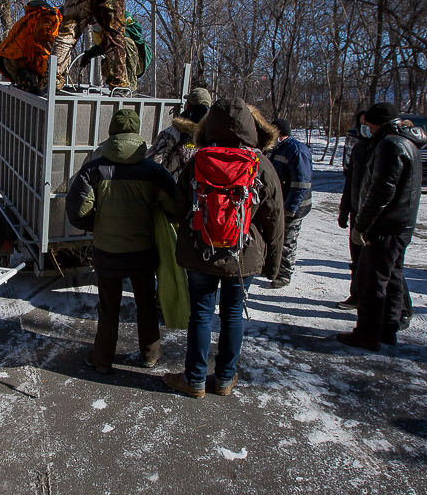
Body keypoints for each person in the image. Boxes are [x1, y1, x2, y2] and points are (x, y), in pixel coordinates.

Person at [163, 98, 284, 398]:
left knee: (201, 315)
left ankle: (195, 380)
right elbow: (275, 219)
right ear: (251, 127)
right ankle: (225, 379)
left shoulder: (197, 160)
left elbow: (178, 207)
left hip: (200, 251)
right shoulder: (261, 165)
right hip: (243, 256)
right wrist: (273, 264)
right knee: (232, 314)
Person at [66, 109, 177, 374]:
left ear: (111, 134)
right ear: (137, 133)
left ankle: (103, 359)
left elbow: (76, 211)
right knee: (146, 304)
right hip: (143, 252)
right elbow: (175, 207)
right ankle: (150, 354)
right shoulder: (154, 171)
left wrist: (99, 226)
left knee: (108, 307)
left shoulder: (93, 169)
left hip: (108, 252)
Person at [337, 102, 422, 351]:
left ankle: (367, 333)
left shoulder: (391, 145)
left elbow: (381, 191)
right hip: (400, 223)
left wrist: (362, 225)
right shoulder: (407, 142)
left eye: (368, 124)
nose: (366, 129)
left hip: (385, 225)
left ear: (378, 122)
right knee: (393, 276)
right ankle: (388, 329)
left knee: (372, 281)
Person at [267, 118, 313, 288]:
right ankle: (274, 267)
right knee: (277, 237)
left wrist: (290, 208)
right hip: (280, 203)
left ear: (280, 134)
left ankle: (284, 274)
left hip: (293, 205)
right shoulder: (277, 148)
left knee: (287, 240)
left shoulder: (296, 150)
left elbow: (301, 184)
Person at [0, 0, 63, 93]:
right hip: (22, 58)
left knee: (31, 91)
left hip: (9, 56)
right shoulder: (49, 16)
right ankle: (32, 84)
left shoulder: (32, 16)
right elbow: (43, 35)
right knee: (41, 91)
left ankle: (28, 82)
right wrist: (55, 53)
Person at [336, 110, 370, 309]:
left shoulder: (384, 148)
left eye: (367, 123)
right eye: (362, 124)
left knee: (383, 267)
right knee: (356, 259)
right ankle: (356, 295)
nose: (364, 128)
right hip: (358, 213)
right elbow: (350, 182)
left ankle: (401, 308)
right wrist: (344, 209)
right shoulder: (358, 149)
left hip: (377, 217)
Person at [146, 87, 213, 178]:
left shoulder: (171, 133)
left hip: (173, 190)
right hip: (202, 190)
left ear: (187, 106)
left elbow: (152, 164)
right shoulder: (214, 136)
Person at [78, 11, 152, 90]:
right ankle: (116, 85)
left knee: (123, 41)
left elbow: (136, 31)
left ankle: (128, 87)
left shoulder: (121, 15)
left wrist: (112, 33)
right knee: (107, 58)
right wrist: (89, 54)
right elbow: (103, 47)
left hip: (137, 59)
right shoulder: (99, 31)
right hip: (121, 60)